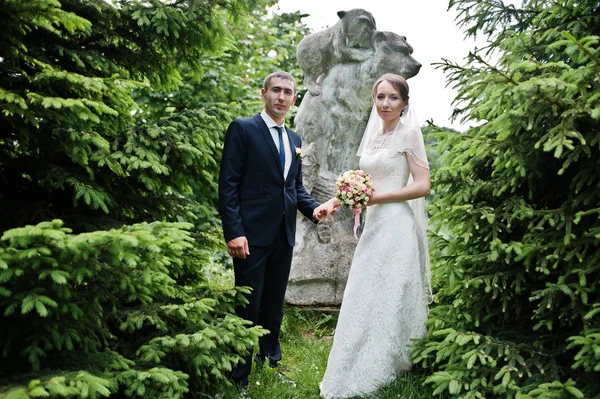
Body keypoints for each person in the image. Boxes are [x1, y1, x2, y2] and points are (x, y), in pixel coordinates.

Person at [218, 71, 333, 393]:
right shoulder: (243, 129)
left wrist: (314, 209)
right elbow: (228, 184)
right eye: (276, 91)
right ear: (264, 93)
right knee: (248, 304)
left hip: (283, 233)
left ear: (295, 99)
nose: (282, 97)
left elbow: (294, 187)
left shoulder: (294, 139)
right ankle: (238, 374)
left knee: (273, 303)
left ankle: (269, 360)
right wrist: (234, 232)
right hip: (250, 236)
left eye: (288, 92)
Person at [318, 73, 432, 398]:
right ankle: (353, 362)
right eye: (380, 97)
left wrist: (377, 199)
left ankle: (388, 365)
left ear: (404, 103)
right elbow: (363, 181)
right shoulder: (374, 137)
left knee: (388, 294)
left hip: (396, 224)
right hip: (374, 224)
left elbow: (422, 185)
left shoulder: (408, 134)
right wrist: (334, 201)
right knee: (364, 293)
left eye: (393, 98)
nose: (385, 104)